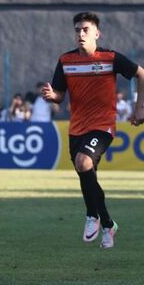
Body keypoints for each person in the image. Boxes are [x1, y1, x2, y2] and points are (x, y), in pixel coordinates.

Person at [42, 12, 144, 249]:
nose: (81, 34)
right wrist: (51, 96)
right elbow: (59, 95)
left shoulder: (110, 58)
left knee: (83, 162)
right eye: (77, 30)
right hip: (76, 128)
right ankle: (108, 225)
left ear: (96, 33)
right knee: (87, 177)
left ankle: (92, 216)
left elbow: (141, 74)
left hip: (102, 126)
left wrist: (140, 107)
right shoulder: (66, 60)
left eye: (86, 29)